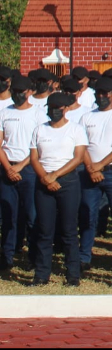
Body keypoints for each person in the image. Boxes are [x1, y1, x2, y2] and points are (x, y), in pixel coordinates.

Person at [29, 93, 87, 286]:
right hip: (44, 181)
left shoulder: (76, 129)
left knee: (69, 230)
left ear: (66, 109)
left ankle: (72, 275)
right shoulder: (40, 130)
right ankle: (41, 274)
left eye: (58, 108)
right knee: (45, 230)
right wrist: (45, 177)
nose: (54, 111)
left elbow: (78, 158)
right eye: (51, 107)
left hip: (68, 181)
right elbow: (34, 157)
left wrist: (56, 175)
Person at [78, 78, 112, 269]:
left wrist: (100, 165)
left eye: (105, 93)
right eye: (99, 93)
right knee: (87, 214)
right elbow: (81, 146)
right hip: (90, 173)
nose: (102, 97)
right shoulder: (86, 117)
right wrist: (91, 167)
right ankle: (84, 257)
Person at [0, 75, 39, 272]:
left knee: (32, 216)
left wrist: (21, 166)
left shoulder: (38, 114)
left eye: (21, 92)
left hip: (29, 170)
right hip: (7, 169)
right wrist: (8, 168)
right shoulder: (4, 112)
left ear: (29, 92)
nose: (17, 95)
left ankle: (33, 258)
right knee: (9, 217)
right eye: (15, 92)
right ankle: (7, 258)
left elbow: (39, 148)